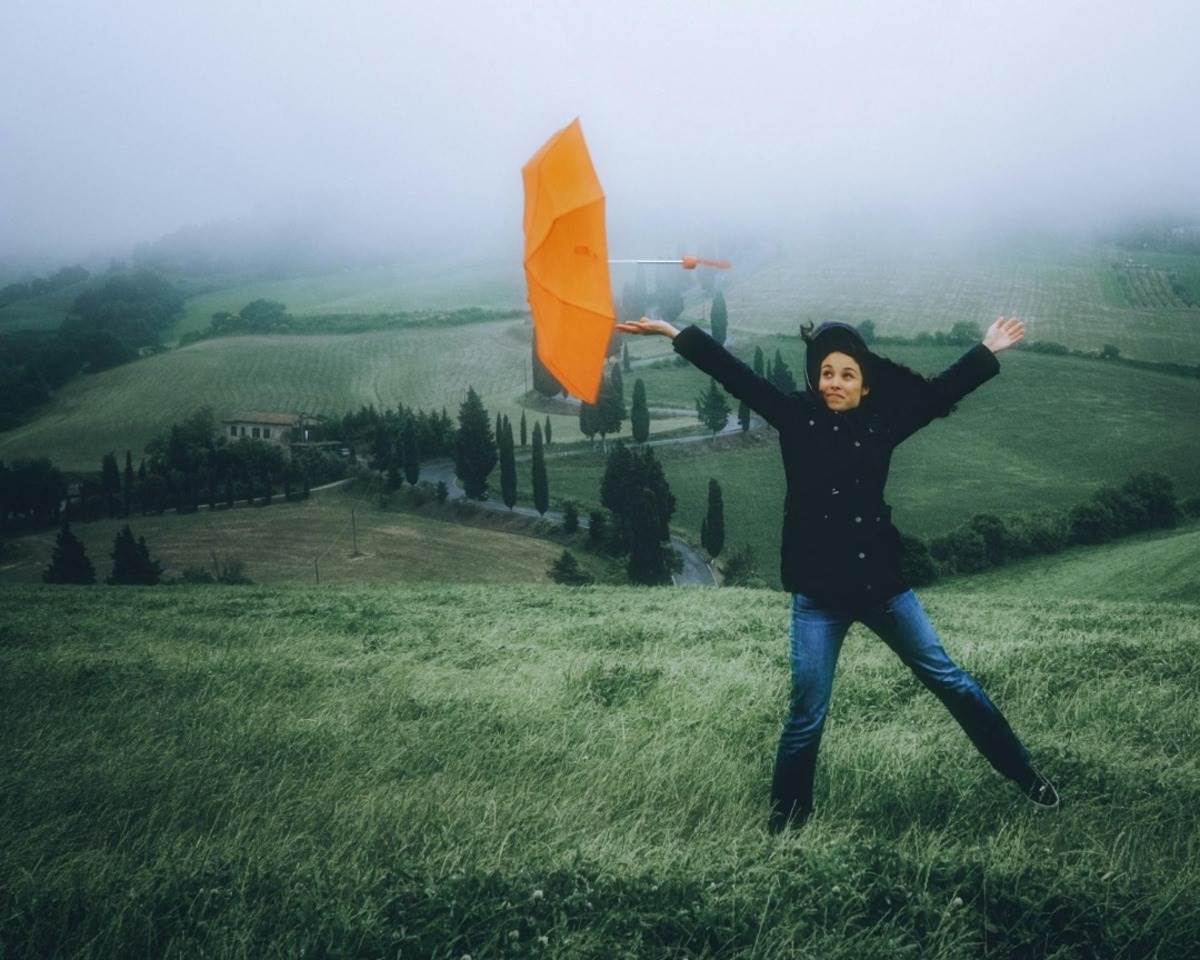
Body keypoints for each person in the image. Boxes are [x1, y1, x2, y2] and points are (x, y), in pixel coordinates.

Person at [615, 313, 1059, 833]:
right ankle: (786, 826)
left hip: (883, 589)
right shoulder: (794, 417)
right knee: (806, 714)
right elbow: (734, 374)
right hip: (818, 598)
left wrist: (987, 350)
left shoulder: (882, 426)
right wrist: (675, 334)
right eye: (826, 373)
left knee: (951, 682)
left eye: (847, 374)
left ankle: (1026, 776)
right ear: (815, 379)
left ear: (865, 385)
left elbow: (937, 396)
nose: (834, 383)